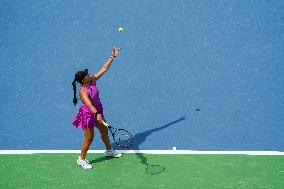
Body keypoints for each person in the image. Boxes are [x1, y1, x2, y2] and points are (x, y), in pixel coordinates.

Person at [71, 47, 122, 170]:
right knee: (89, 139)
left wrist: (112, 57)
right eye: (86, 74)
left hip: (98, 111)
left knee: (104, 131)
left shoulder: (92, 80)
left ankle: (109, 150)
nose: (89, 74)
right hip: (89, 115)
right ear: (84, 79)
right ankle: (81, 159)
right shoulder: (83, 91)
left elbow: (104, 69)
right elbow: (89, 105)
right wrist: (97, 114)